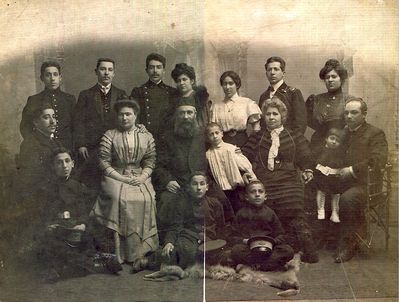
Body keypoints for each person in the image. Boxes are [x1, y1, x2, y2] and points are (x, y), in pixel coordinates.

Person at [242, 97, 318, 263]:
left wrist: (307, 169)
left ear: (282, 116)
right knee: (263, 205)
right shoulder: (258, 137)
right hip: (265, 179)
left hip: (288, 179)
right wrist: (245, 172)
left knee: (293, 204)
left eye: (275, 114)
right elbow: (244, 155)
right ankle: (271, 245)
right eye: (268, 114)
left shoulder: (293, 135)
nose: (271, 117)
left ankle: (305, 246)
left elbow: (306, 155)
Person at [91, 97, 159, 265]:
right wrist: (121, 178)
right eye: (121, 115)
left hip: (138, 174)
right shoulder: (110, 135)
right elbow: (103, 161)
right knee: (117, 198)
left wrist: (142, 177)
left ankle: (140, 251)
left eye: (128, 114)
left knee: (146, 198)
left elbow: (150, 160)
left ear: (135, 116)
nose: (125, 118)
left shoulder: (146, 135)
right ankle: (118, 252)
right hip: (115, 174)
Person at [39, 148, 122, 282]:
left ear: (73, 164)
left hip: (75, 230)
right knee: (51, 245)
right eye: (59, 163)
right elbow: (44, 213)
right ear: (53, 166)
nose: (64, 166)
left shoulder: (78, 187)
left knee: (89, 238)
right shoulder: (46, 189)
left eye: (67, 161)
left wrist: (82, 224)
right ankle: (97, 264)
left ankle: (69, 267)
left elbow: (83, 211)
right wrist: (50, 224)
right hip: (58, 231)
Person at [132, 171, 227, 272]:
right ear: (189, 187)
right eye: (194, 184)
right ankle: (147, 261)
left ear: (207, 187)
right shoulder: (183, 203)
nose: (198, 188)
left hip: (208, 239)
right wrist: (169, 242)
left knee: (218, 256)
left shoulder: (215, 204)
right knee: (183, 252)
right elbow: (175, 226)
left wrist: (220, 244)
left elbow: (221, 227)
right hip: (189, 237)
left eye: (202, 184)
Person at [333, 98, 388, 263]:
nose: (349, 116)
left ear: (364, 114)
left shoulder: (375, 133)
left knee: (348, 198)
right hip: (341, 181)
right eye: (346, 113)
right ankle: (326, 236)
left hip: (367, 185)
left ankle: (349, 244)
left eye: (354, 112)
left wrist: (351, 170)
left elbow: (377, 160)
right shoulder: (342, 133)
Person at [73, 58, 126, 188]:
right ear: (96, 72)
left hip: (115, 148)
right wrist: (81, 144)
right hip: (91, 148)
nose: (106, 73)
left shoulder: (121, 94)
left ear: (114, 73)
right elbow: (78, 121)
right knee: (93, 183)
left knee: (113, 184)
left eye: (110, 70)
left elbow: (125, 122)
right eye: (103, 69)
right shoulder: (85, 95)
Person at [231, 180, 294, 271]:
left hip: (269, 249)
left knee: (288, 250)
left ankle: (256, 265)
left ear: (265, 196)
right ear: (247, 197)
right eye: (253, 192)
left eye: (260, 191)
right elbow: (233, 236)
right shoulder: (241, 214)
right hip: (249, 249)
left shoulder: (270, 213)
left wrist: (272, 242)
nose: (257, 194)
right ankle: (268, 265)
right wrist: (245, 241)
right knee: (236, 250)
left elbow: (281, 234)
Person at [20, 61, 75, 149]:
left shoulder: (69, 99)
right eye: (48, 75)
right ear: (42, 78)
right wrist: (36, 145)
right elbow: (25, 127)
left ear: (60, 78)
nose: (52, 78)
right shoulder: (34, 100)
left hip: (67, 148)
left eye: (55, 74)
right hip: (43, 149)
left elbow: (75, 126)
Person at [206, 122, 256, 212]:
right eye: (211, 134)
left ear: (222, 133)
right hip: (222, 190)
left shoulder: (231, 149)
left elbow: (245, 166)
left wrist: (249, 177)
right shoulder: (208, 154)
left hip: (237, 188)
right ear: (208, 138)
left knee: (240, 209)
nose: (215, 136)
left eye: (217, 133)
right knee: (227, 211)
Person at [18, 104, 62, 202]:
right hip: (41, 197)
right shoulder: (29, 144)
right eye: (46, 117)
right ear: (36, 122)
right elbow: (32, 178)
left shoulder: (55, 141)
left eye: (54, 117)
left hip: (56, 190)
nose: (52, 121)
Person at [306, 59, 353, 150]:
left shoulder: (349, 100)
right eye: (327, 77)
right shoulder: (315, 100)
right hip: (317, 145)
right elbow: (307, 121)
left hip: (340, 145)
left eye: (334, 76)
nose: (330, 80)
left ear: (341, 79)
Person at [130, 53, 177, 139]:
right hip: (144, 136)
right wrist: (138, 125)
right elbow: (133, 114)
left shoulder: (172, 92)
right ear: (146, 70)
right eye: (151, 67)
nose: (155, 71)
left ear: (164, 70)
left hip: (167, 139)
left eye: (159, 67)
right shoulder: (138, 91)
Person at [210, 71, 261, 147]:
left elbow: (256, 128)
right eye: (225, 84)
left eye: (231, 83)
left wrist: (249, 146)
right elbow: (213, 130)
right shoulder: (216, 107)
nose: (227, 87)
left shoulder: (247, 103)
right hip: (223, 143)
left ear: (237, 85)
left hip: (242, 142)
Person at [258, 56, 307, 134]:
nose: (272, 72)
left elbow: (300, 124)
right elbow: (263, 123)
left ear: (283, 73)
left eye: (276, 69)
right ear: (266, 73)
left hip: (288, 141)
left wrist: (291, 141)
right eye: (269, 70)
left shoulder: (293, 93)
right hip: (267, 141)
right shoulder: (263, 96)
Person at [314, 128, 346, 223]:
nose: (334, 142)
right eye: (332, 138)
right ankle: (320, 210)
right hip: (321, 176)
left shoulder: (339, 153)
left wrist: (336, 169)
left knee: (336, 194)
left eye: (337, 141)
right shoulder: (320, 149)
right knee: (321, 191)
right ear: (326, 139)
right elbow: (313, 161)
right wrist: (321, 167)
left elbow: (342, 164)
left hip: (334, 177)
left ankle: (335, 212)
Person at [171, 63, 211, 128]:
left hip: (198, 134)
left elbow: (205, 121)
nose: (181, 83)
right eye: (179, 80)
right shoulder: (175, 99)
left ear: (192, 81)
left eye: (184, 79)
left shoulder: (200, 98)